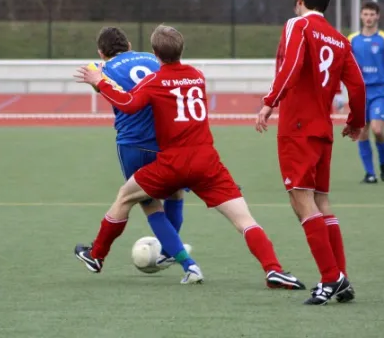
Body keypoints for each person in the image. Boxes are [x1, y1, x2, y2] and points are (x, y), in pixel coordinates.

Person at [74, 24, 305, 289]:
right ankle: (273, 269)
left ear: (155, 53)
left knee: (126, 197)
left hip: (171, 162)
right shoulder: (197, 75)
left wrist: (99, 81)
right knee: (244, 220)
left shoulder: (154, 81)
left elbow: (129, 104)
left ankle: (98, 255)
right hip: (207, 161)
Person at [256, 0, 366, 305]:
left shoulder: (298, 26)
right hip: (323, 128)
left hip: (298, 126)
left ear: (300, 0)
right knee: (320, 201)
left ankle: (330, 278)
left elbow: (290, 67)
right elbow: (358, 86)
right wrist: (356, 121)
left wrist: (268, 102)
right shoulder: (339, 39)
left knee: (300, 200)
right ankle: (341, 277)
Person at [87, 27, 193, 271]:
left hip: (133, 143)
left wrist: (100, 70)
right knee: (176, 194)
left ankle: (183, 261)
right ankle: (168, 252)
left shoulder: (99, 67)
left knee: (147, 202)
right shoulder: (152, 58)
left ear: (101, 52)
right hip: (166, 141)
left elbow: (97, 82)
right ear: (130, 44)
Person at [348, 2, 384, 183]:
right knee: (362, 132)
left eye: (372, 14)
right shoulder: (352, 40)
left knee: (378, 130)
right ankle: (370, 174)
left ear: (377, 16)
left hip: (378, 91)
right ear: (361, 16)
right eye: (365, 14)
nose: (369, 17)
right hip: (359, 93)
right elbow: (346, 67)